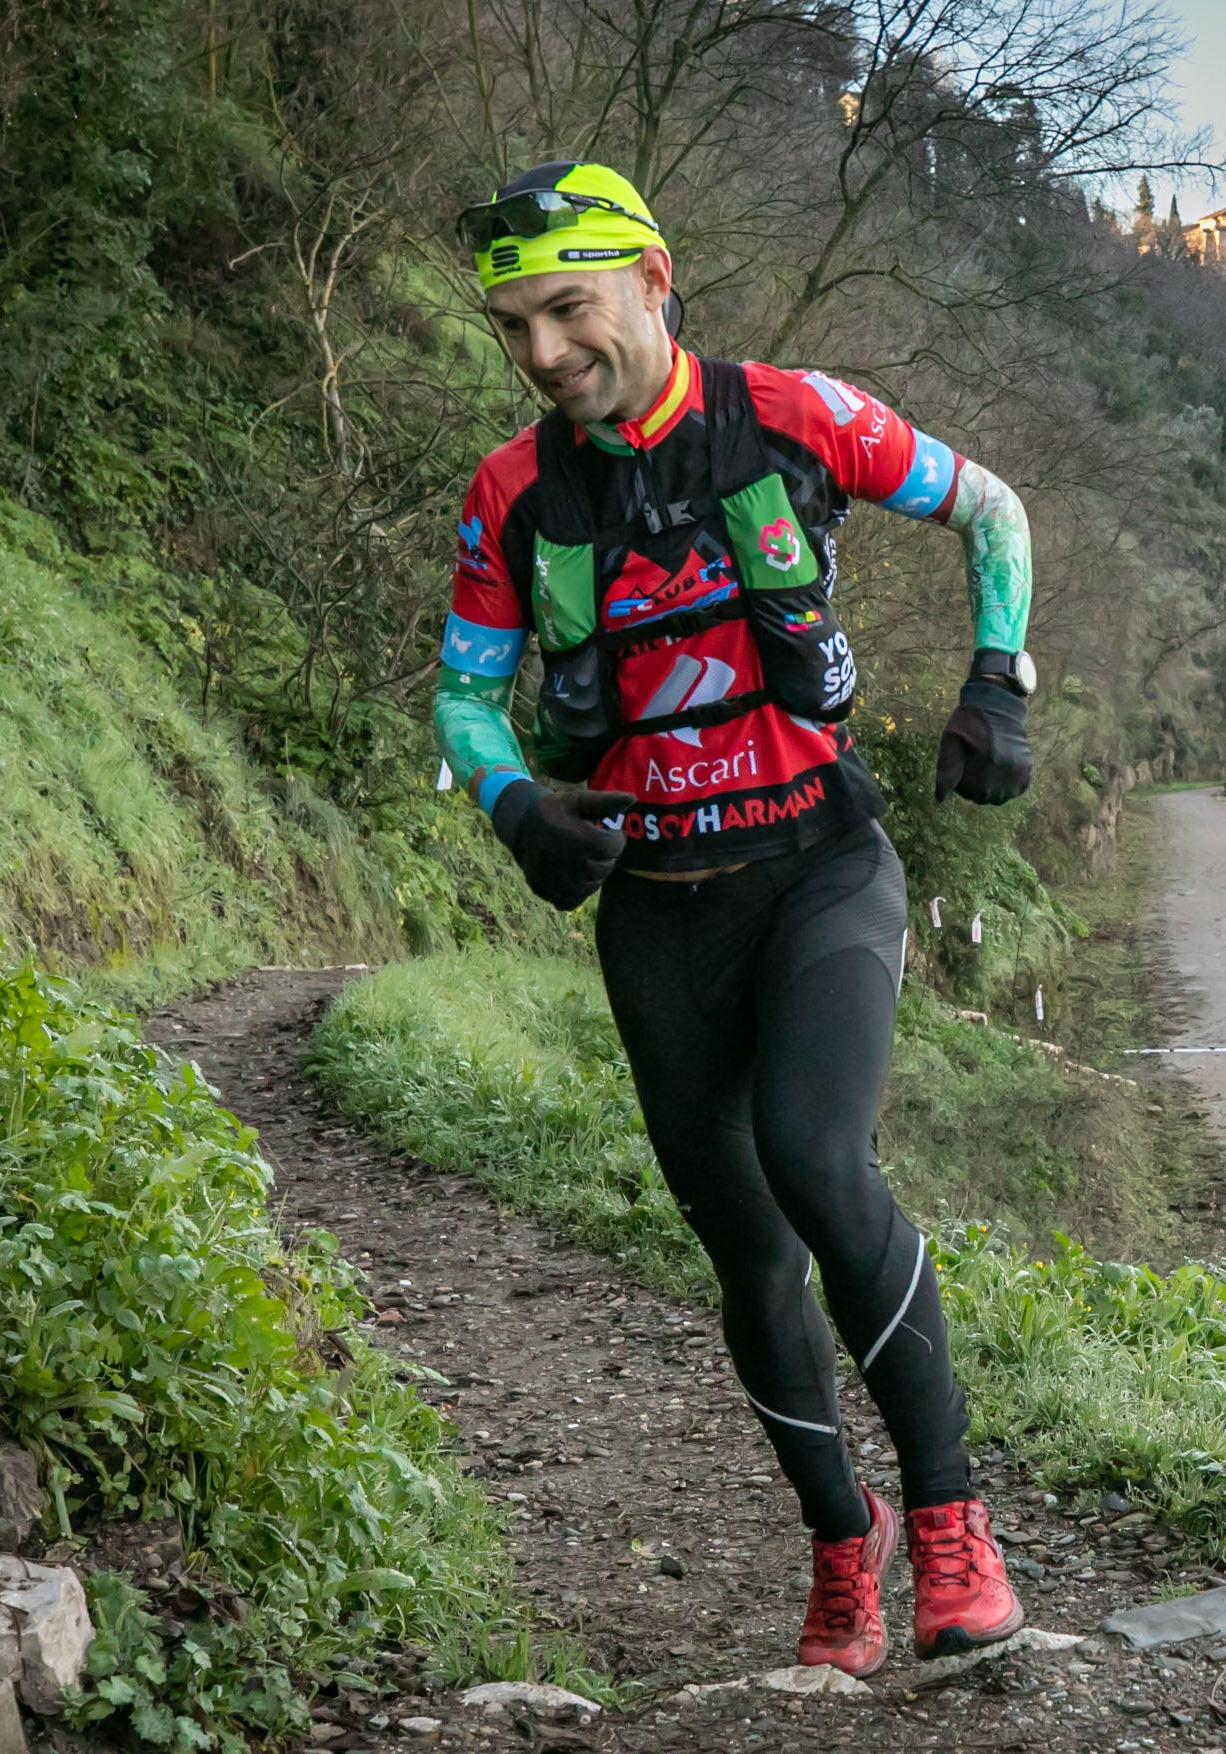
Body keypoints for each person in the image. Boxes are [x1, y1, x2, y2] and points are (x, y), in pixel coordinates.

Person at [431, 161, 1038, 1677]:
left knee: (819, 1163)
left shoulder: (792, 414)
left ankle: (955, 1526)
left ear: (652, 275)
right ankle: (848, 1547)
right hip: (656, 911)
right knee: (744, 1249)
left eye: (566, 311)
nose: (544, 356)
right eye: (514, 330)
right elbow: (462, 691)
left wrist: (996, 677)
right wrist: (514, 803)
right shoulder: (513, 494)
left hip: (817, 868)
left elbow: (992, 510)